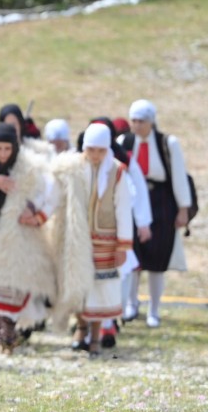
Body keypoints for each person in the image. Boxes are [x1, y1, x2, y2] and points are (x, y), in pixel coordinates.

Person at [0, 122, 56, 353]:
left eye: (7, 149)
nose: (2, 154)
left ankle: (8, 335)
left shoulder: (27, 167)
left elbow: (47, 190)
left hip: (16, 236)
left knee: (11, 286)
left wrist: (35, 212)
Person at [51, 124, 132, 358]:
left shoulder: (117, 171)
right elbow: (55, 192)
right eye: (91, 149)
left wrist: (123, 244)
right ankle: (81, 328)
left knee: (99, 288)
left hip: (105, 239)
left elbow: (123, 208)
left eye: (100, 150)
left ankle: (95, 336)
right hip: (77, 237)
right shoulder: (74, 168)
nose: (95, 155)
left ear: (107, 149)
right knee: (78, 283)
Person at [121, 100, 191, 328]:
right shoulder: (125, 142)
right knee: (133, 256)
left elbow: (179, 177)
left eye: (141, 121)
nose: (137, 125)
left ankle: (154, 309)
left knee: (157, 258)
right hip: (133, 201)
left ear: (151, 121)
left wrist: (183, 208)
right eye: (134, 120)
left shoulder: (167, 143)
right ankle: (131, 303)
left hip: (161, 201)